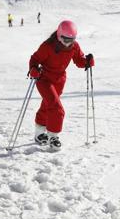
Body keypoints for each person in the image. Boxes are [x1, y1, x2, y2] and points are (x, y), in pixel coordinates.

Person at [28, 20, 94, 150]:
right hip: (44, 79)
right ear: (59, 35)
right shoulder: (48, 46)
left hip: (59, 80)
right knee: (56, 108)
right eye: (65, 39)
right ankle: (53, 137)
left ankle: (39, 133)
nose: (68, 43)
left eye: (71, 40)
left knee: (48, 104)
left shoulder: (74, 46)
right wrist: (33, 69)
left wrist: (87, 61)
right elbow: (34, 59)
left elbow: (79, 60)